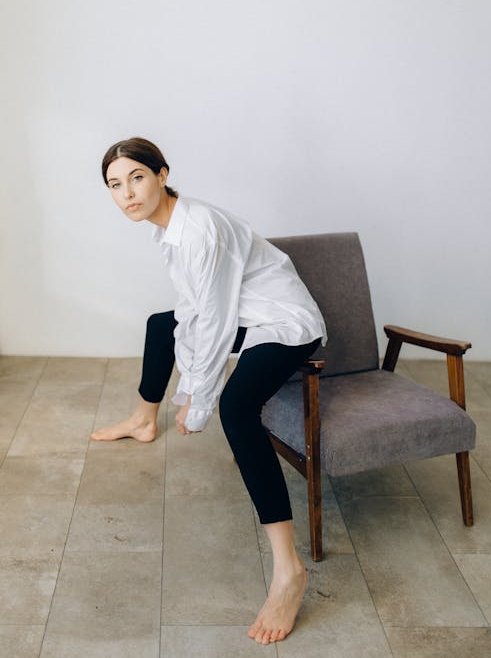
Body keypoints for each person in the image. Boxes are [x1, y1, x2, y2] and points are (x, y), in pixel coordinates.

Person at [91, 137, 327, 645]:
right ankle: (142, 418)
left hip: (284, 323)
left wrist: (198, 401)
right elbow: (194, 309)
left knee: (237, 409)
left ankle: (288, 570)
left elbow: (216, 324)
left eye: (136, 177)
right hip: (248, 313)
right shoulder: (169, 227)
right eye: (115, 185)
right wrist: (184, 389)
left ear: (162, 174)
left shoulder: (197, 230)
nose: (127, 193)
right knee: (163, 324)